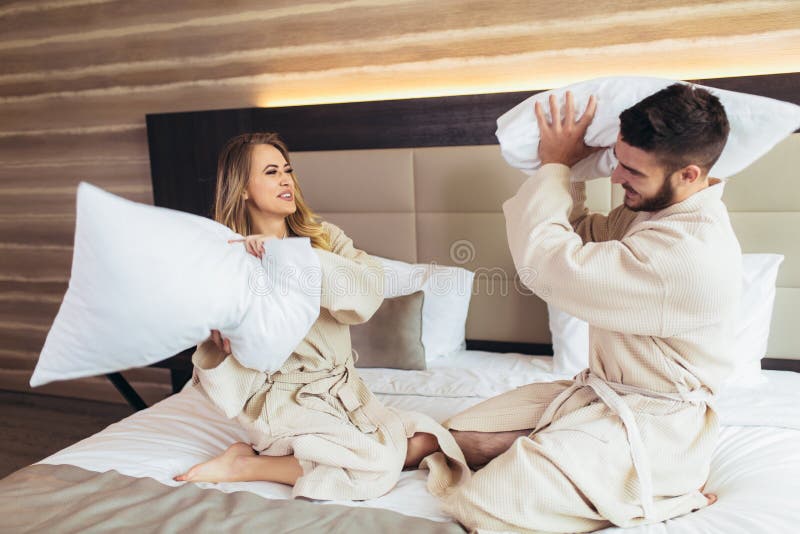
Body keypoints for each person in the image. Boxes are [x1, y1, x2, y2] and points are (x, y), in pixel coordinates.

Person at [442, 84, 740, 532]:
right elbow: (580, 233)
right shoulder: (656, 213)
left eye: (632, 171)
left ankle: (670, 493)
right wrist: (574, 169)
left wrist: (555, 163)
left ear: (690, 174)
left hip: (658, 426)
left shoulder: (686, 255)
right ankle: (566, 451)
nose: (617, 177)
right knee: (460, 440)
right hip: (603, 394)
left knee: (485, 501)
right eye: (618, 161)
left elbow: (549, 265)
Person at [173, 132, 468, 500]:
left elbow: (367, 294)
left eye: (287, 170)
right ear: (242, 188)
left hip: (343, 390)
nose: (286, 180)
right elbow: (215, 352)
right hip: (281, 401)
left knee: (420, 436)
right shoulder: (227, 258)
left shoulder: (324, 238)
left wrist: (293, 257)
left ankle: (270, 459)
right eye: (270, 172)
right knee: (377, 462)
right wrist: (218, 339)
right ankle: (246, 465)